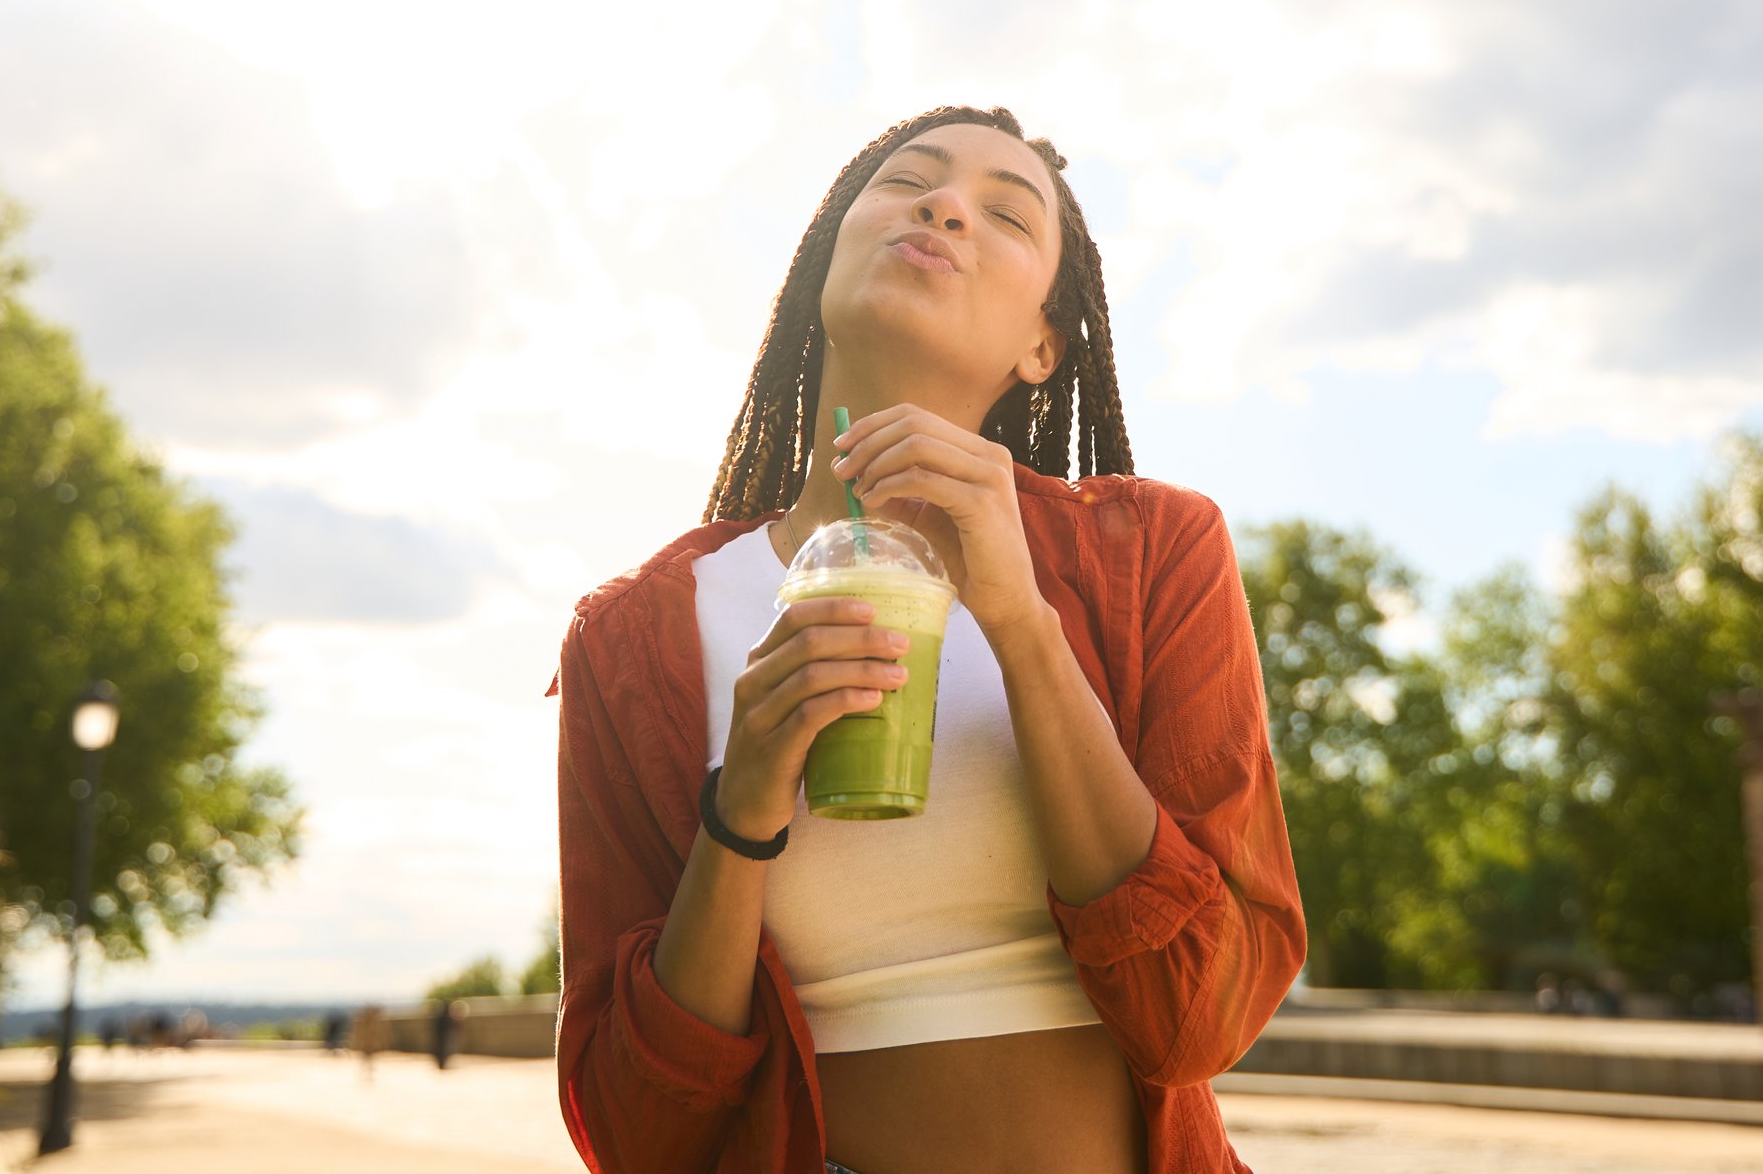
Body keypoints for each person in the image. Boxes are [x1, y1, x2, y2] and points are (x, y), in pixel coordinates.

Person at [548, 107, 1309, 1174]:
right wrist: (741, 812)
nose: (946, 206)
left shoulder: (1154, 552)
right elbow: (637, 1133)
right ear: (826, 256)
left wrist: (1022, 623)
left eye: (1006, 213)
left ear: (1044, 344)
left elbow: (1204, 1015)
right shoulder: (633, 636)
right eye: (910, 180)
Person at [350, 1003, 386, 1082]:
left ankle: (368, 1068)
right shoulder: (367, 1022)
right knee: (366, 1056)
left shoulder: (369, 1022)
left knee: (368, 1056)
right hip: (366, 1044)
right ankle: (367, 1069)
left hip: (368, 1043)